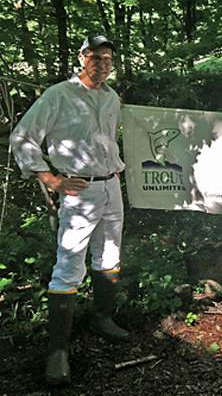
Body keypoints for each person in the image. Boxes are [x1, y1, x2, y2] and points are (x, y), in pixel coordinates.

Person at [10, 35, 128, 386]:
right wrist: (49, 177)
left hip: (110, 187)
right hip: (78, 190)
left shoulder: (111, 97)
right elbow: (23, 137)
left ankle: (102, 318)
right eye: (96, 57)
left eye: (108, 59)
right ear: (82, 58)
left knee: (109, 253)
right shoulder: (58, 95)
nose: (102, 64)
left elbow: (105, 138)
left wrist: (115, 168)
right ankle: (57, 350)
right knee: (69, 263)